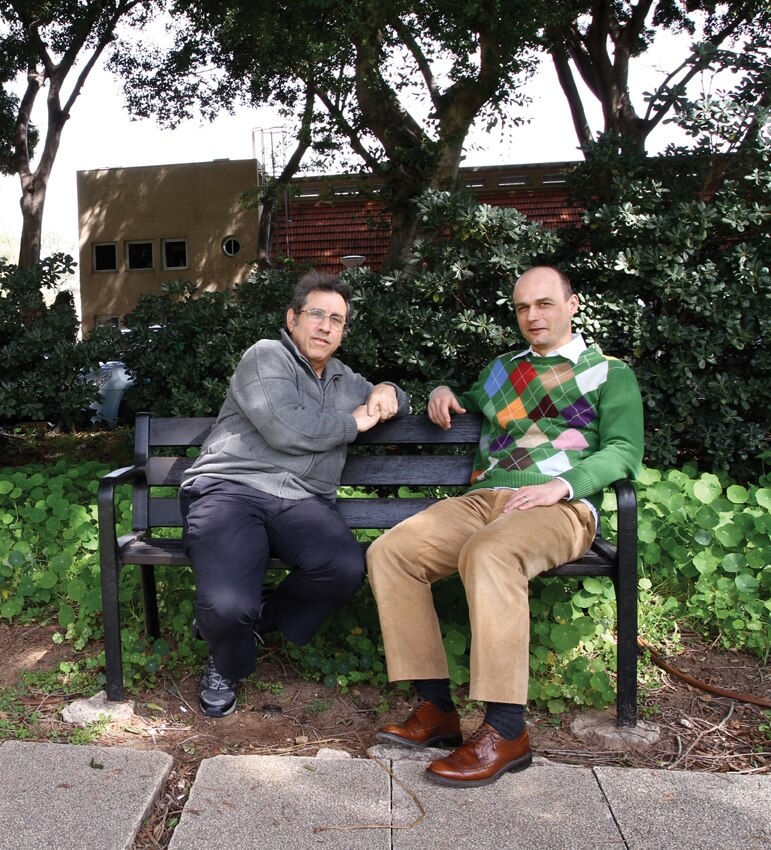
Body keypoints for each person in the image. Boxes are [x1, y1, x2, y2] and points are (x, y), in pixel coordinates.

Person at [367, 265, 643, 788]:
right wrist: (446, 392)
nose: (532, 316)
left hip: (560, 508)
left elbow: (626, 452)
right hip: (486, 498)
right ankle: (437, 710)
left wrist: (563, 487)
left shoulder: (609, 373)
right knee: (392, 551)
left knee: (490, 553)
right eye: (522, 308)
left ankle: (507, 730)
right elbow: (469, 402)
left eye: (544, 304)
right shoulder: (502, 371)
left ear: (572, 304)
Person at [180, 270, 410, 717]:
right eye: (316, 314)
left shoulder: (346, 380)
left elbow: (398, 399)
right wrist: (353, 424)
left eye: (337, 320)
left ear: (343, 332)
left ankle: (252, 623)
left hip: (301, 502)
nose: (325, 326)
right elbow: (286, 428)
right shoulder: (266, 357)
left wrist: (389, 390)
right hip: (231, 490)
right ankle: (226, 659)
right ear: (293, 318)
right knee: (227, 604)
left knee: (343, 567)